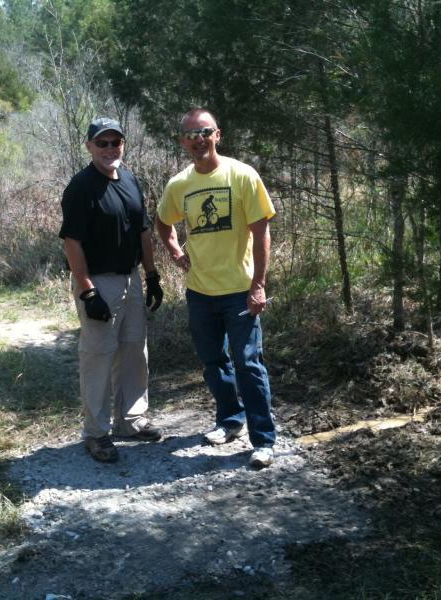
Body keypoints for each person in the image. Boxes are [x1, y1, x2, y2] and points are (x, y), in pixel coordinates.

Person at [155, 108, 276, 468]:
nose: (198, 140)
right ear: (182, 142)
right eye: (191, 135)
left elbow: (261, 232)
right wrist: (176, 253)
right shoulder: (179, 185)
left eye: (204, 132)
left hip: (239, 290)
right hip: (200, 292)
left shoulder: (242, 176)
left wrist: (258, 286)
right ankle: (230, 420)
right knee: (213, 362)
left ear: (217, 135)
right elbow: (162, 223)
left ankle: (263, 439)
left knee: (248, 364)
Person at [59, 117, 164, 463]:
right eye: (101, 143)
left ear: (123, 145)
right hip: (98, 279)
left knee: (135, 351)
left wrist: (151, 276)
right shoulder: (81, 187)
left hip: (130, 278)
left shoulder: (130, 180)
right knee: (99, 355)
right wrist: (87, 290)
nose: (109, 149)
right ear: (89, 147)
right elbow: (71, 241)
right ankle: (96, 432)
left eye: (115, 142)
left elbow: (143, 231)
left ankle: (130, 420)